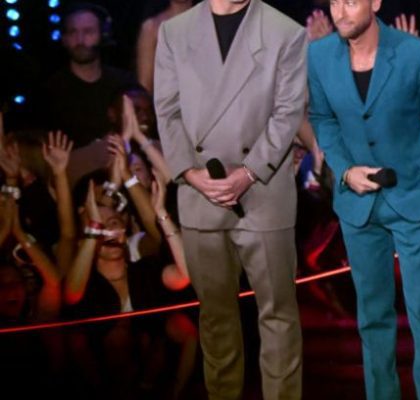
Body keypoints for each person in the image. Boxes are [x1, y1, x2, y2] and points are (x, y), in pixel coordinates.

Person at [154, 0, 307, 398]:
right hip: (200, 191)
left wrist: (250, 172)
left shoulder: (285, 31)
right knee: (216, 319)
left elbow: (288, 111)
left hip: (263, 190)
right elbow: (166, 111)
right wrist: (189, 173)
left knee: (277, 316)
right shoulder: (174, 32)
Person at [307, 0, 420, 397]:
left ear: (375, 3)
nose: (340, 11)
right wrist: (343, 170)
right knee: (372, 316)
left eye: (351, 2)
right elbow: (322, 119)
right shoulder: (319, 55)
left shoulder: (415, 55)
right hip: (358, 204)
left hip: (414, 197)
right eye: (334, 2)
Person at [41, 3, 137, 147]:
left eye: (88, 32)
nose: (80, 41)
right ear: (64, 39)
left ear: (103, 35)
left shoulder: (124, 84)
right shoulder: (49, 92)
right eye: (73, 32)